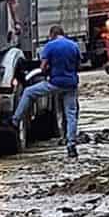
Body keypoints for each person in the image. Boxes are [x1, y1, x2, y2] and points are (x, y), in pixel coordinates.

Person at [11, 24, 82, 158]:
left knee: (29, 92)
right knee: (71, 113)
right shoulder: (74, 45)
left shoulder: (49, 46)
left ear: (52, 35)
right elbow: (78, 64)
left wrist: (48, 70)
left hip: (54, 83)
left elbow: (43, 68)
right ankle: (71, 144)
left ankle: (15, 120)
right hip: (71, 84)